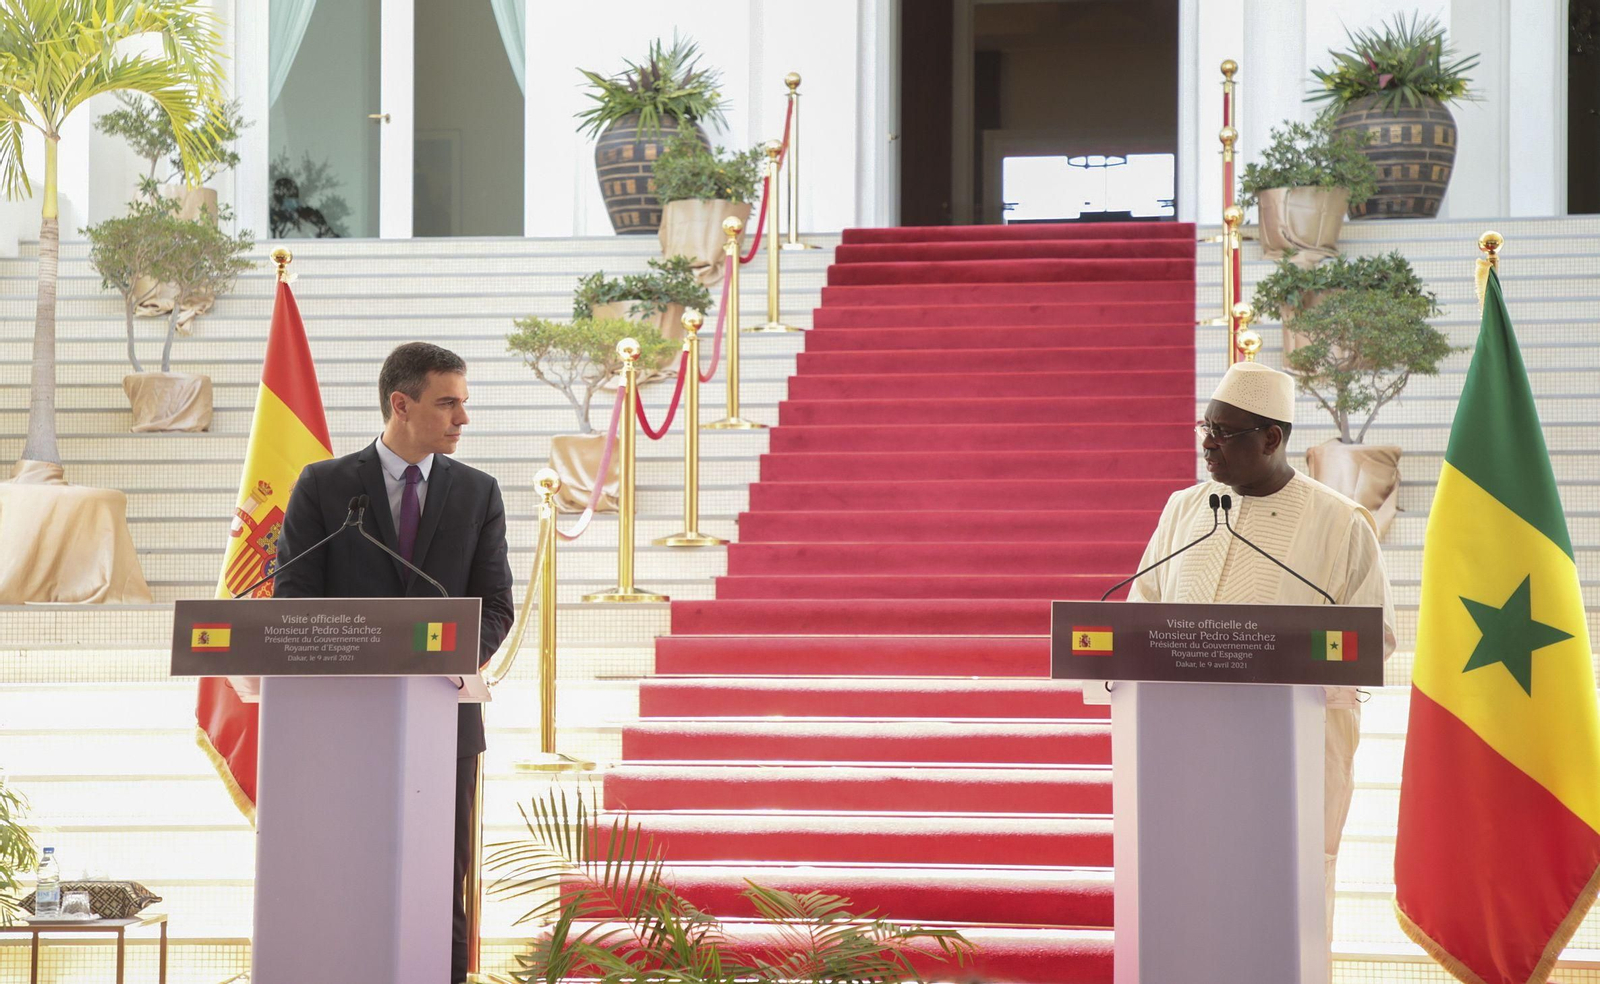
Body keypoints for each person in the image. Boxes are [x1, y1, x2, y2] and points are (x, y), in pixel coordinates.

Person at [1126, 360, 1396, 954]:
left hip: (1293, 751)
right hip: (1184, 746)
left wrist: (1287, 654)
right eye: (1205, 428)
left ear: (1272, 438)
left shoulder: (1339, 522)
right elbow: (1139, 612)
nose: (1207, 444)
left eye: (1223, 432)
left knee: (1287, 894)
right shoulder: (1183, 511)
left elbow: (1375, 637)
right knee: (1188, 887)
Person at [275, 341, 515, 984]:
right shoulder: (325, 486)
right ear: (400, 405)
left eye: (465, 404)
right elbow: (293, 598)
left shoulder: (478, 492)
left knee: (443, 879)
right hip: (338, 726)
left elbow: (496, 607)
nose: (463, 419)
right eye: (448, 404)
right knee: (339, 871)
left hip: (445, 721)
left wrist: (448, 659)